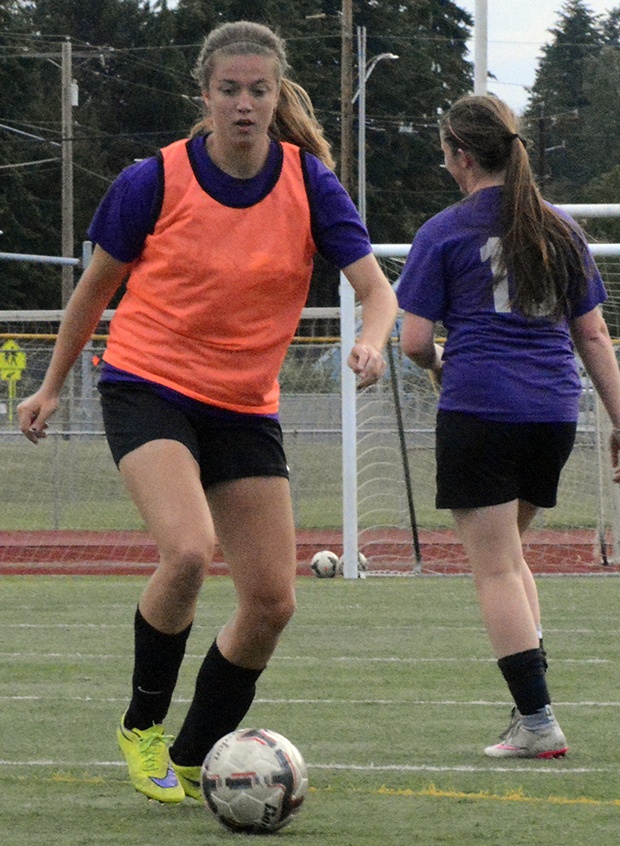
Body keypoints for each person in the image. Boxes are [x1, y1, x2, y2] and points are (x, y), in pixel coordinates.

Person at [17, 20, 398, 802]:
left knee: (272, 602)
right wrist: (51, 385)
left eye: (259, 89)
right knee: (189, 551)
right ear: (206, 95)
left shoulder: (310, 184)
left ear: (277, 94)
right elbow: (93, 292)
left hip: (243, 406)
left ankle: (195, 759)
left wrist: (374, 341)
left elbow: (377, 291)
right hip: (147, 385)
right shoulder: (153, 180)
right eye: (230, 90)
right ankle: (142, 727)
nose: (245, 104)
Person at [397, 94, 620, 759]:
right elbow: (593, 335)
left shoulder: (445, 230)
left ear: (462, 156)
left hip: (482, 410)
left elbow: (413, 342)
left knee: (494, 569)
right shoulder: (561, 227)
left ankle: (537, 720)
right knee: (511, 558)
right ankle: (532, 709)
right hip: (553, 413)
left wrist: (439, 364)